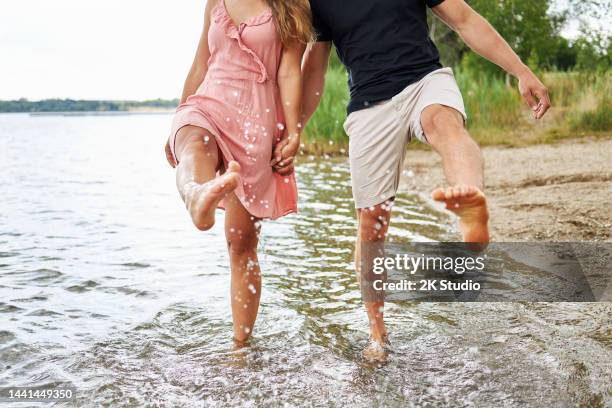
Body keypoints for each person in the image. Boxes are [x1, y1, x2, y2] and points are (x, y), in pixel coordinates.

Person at [288, 0, 551, 360]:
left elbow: (464, 19)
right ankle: (378, 334)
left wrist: (520, 70)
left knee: (443, 122)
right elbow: (313, 71)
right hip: (369, 105)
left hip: (424, 80)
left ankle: (471, 208)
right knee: (371, 225)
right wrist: (295, 129)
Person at [163, 0, 313, 343]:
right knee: (194, 145)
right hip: (208, 103)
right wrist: (177, 118)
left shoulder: (294, 5)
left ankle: (241, 346)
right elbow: (201, 62)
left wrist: (293, 132)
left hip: (254, 122)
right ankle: (197, 195)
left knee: (241, 245)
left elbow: (290, 70)